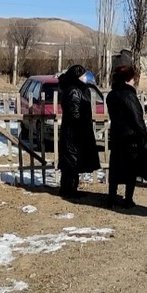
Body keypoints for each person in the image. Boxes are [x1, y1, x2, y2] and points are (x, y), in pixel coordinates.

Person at [105, 64, 147, 208]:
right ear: (127, 79)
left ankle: (112, 197)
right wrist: (144, 135)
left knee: (115, 167)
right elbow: (137, 118)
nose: (134, 81)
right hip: (130, 137)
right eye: (132, 78)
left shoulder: (111, 95)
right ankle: (128, 199)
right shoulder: (129, 95)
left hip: (116, 134)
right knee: (131, 169)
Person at [57, 64, 101, 199]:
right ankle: (69, 190)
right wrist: (82, 126)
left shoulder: (77, 89)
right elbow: (74, 113)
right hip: (74, 133)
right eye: (82, 76)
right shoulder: (74, 91)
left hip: (75, 132)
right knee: (71, 163)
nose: (85, 78)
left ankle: (70, 189)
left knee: (73, 163)